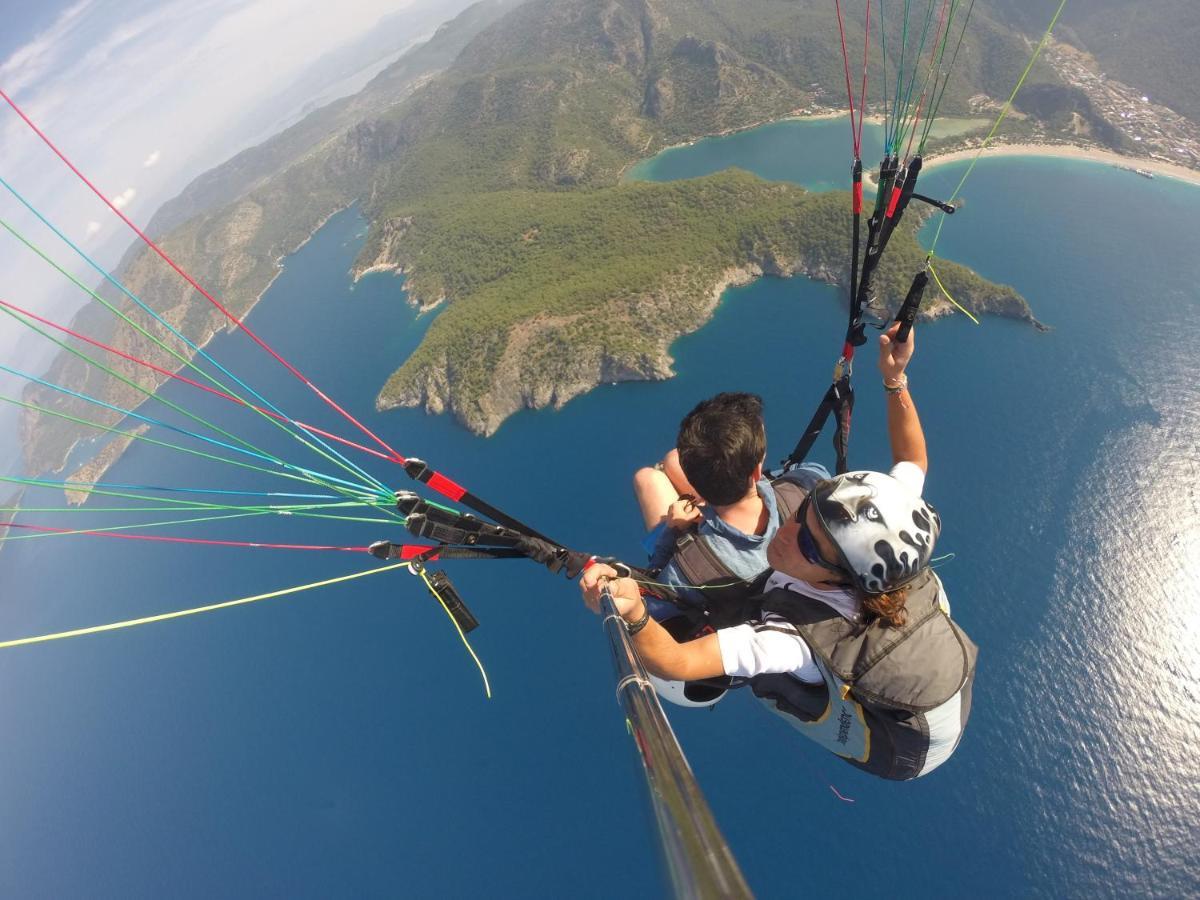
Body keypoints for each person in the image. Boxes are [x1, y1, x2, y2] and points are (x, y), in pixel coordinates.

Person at [581, 323, 977, 780]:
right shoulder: (874, 524)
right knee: (665, 469)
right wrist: (895, 378)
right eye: (806, 513)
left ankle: (679, 484)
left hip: (888, 733)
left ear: (837, 577)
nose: (786, 535)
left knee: (654, 474)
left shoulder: (793, 642)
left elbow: (675, 661)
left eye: (808, 543)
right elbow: (913, 463)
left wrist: (632, 611)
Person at [632, 392, 829, 621]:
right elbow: (799, 472)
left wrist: (675, 530)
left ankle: (698, 490)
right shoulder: (807, 483)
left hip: (715, 555)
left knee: (647, 477)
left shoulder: (687, 569)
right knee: (671, 460)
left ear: (693, 484)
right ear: (756, 472)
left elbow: (653, 599)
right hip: (757, 549)